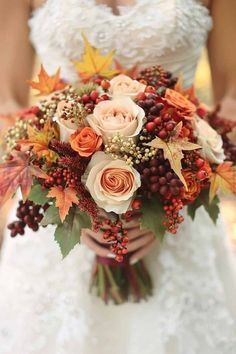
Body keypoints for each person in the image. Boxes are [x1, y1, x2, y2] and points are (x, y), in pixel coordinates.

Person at [0, 1, 236, 353]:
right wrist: (63, 189)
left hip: (178, 205)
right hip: (57, 213)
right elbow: (7, 99)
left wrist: (174, 198)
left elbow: (231, 99)